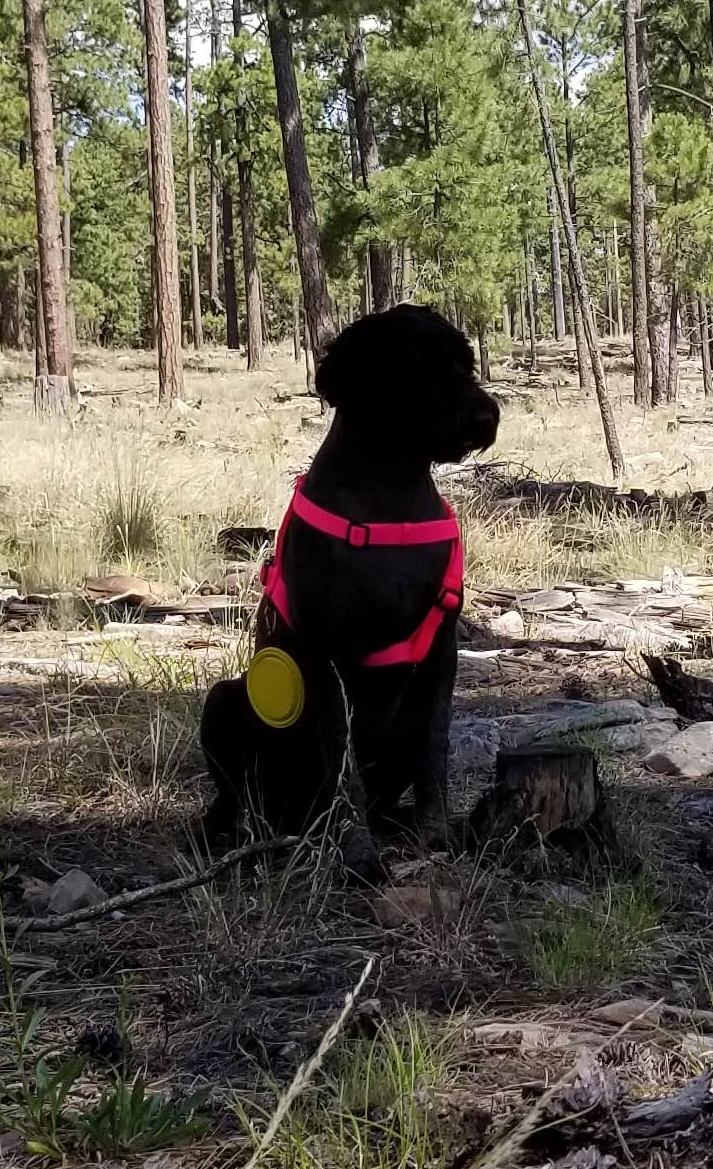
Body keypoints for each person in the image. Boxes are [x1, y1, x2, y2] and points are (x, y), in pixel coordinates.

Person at [199, 304, 498, 841]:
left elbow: (437, 661)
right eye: (435, 386)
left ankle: (422, 817)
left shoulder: (432, 523)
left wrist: (434, 810)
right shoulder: (325, 523)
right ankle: (254, 817)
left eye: (461, 378)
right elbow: (317, 666)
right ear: (376, 396)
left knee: (428, 673)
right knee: (228, 706)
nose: (474, 409)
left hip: (386, 752)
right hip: (288, 750)